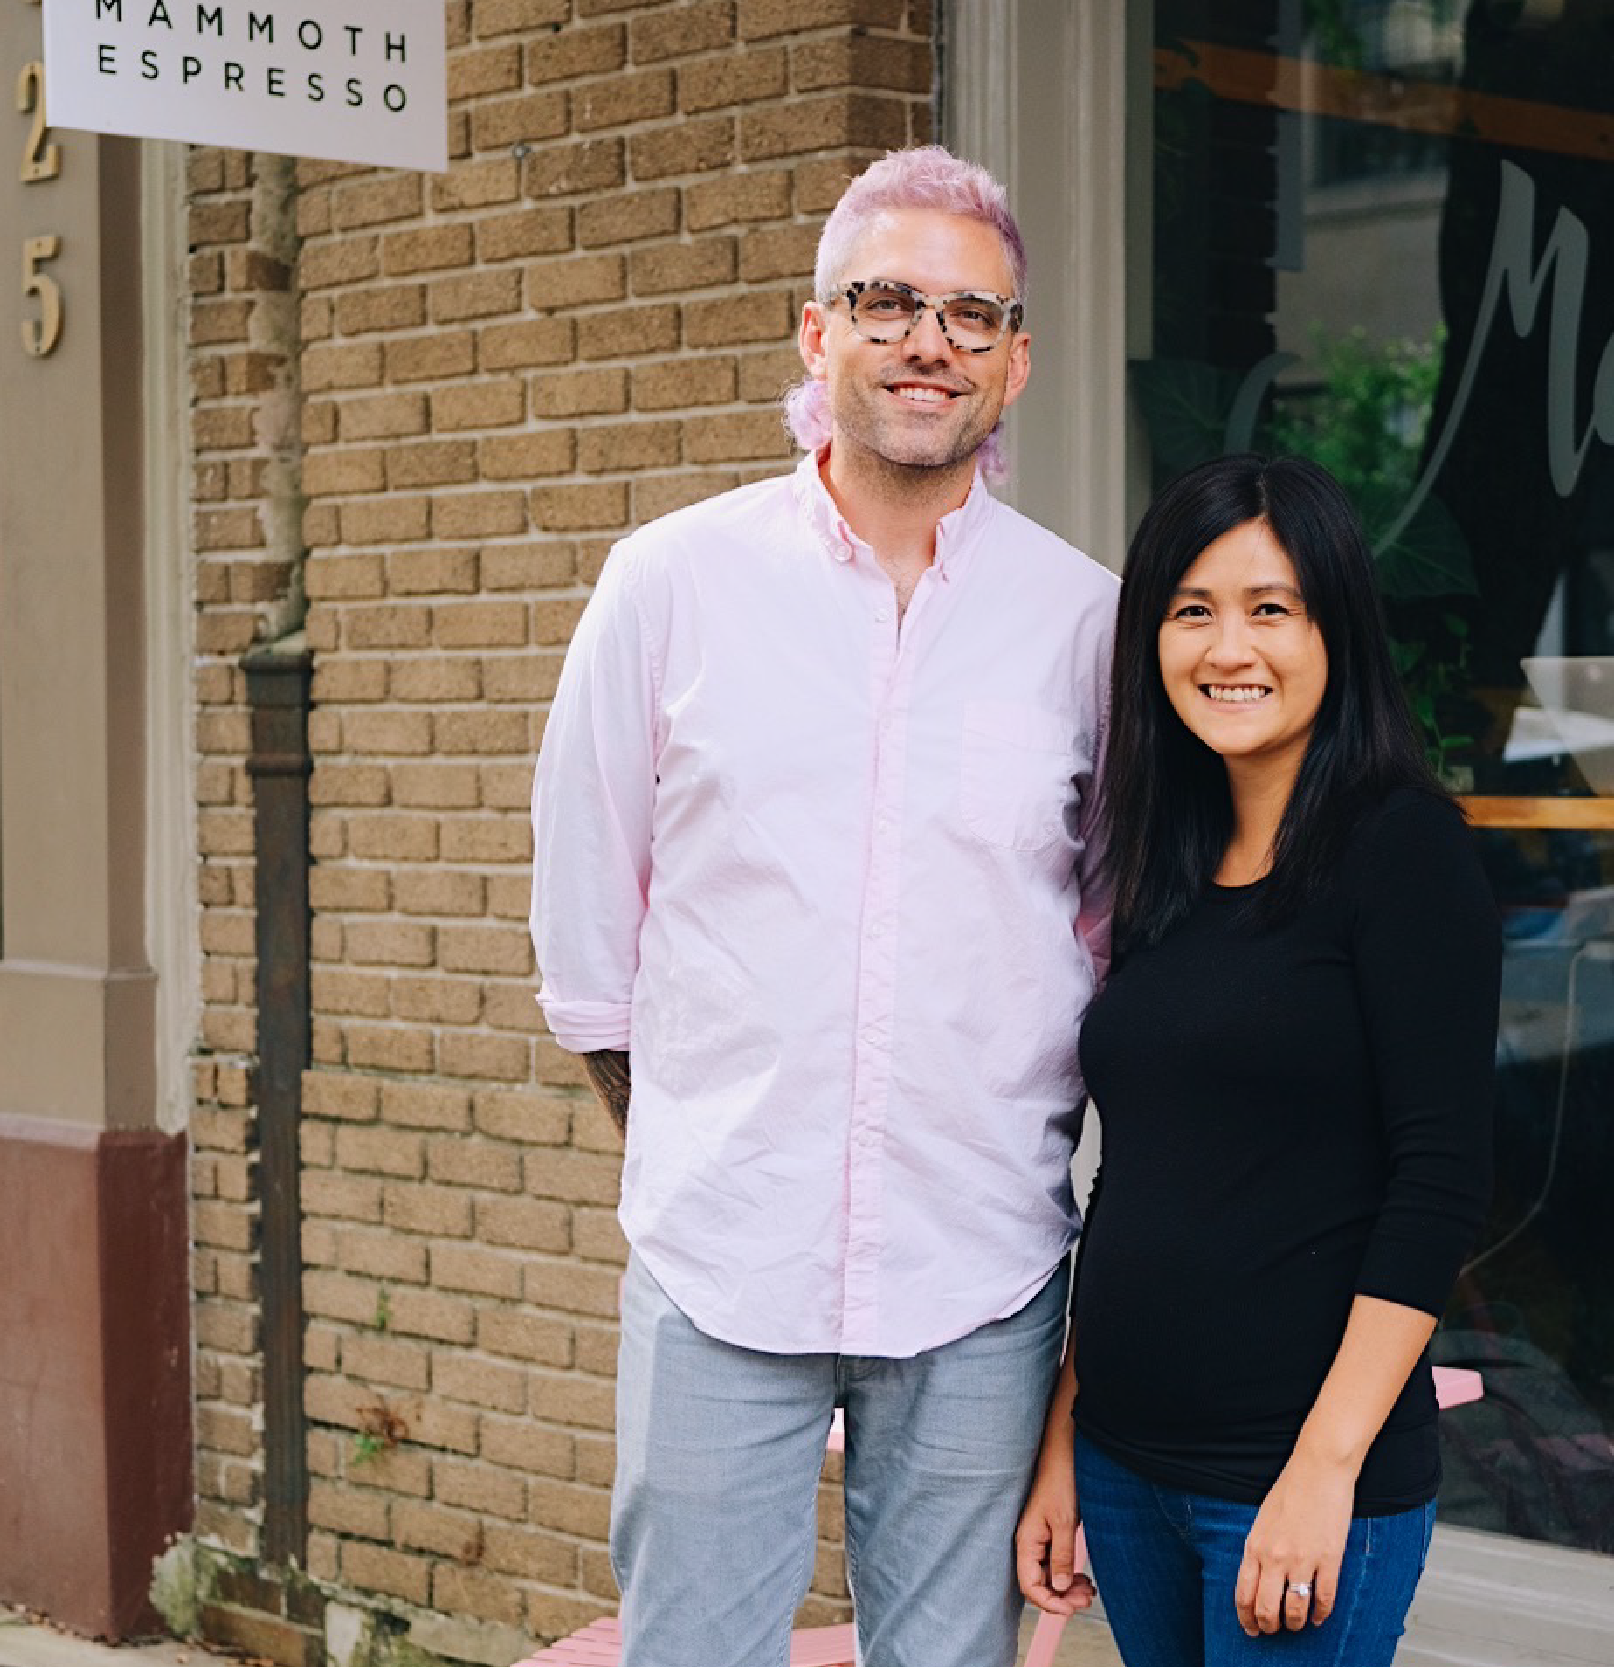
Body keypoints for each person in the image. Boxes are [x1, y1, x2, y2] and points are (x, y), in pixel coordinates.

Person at [528, 147, 1119, 1667]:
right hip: (720, 1268)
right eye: (890, 300)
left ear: (1016, 363)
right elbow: (592, 958)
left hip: (984, 1279)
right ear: (816, 334)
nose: (931, 341)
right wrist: (717, 1152)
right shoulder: (669, 586)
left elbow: (1118, 943)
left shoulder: (1086, 622)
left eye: (972, 316)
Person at [1015, 454, 1498, 1666]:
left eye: (1270, 607)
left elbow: (1437, 1178)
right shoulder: (1165, 870)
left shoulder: (1401, 847)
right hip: (1127, 1470)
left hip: (1287, 1480)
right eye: (1193, 610)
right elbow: (1139, 1174)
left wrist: (1321, 1471)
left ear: (1336, 628)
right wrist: (1070, 1437)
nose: (1230, 646)